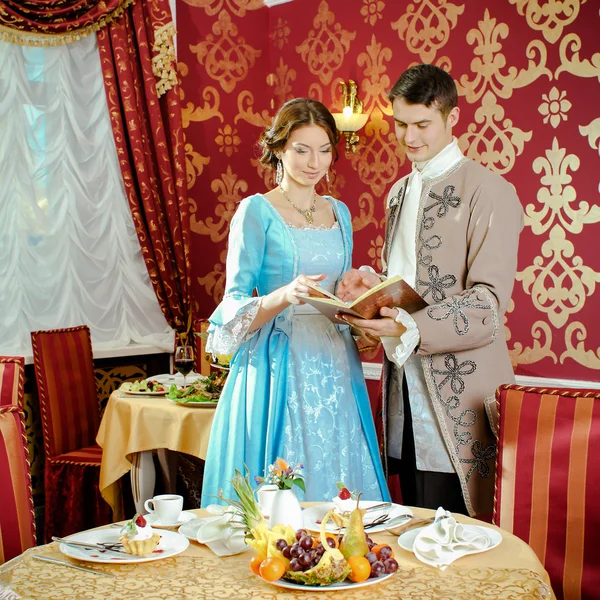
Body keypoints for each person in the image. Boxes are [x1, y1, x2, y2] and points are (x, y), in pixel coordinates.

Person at [337, 64, 524, 517]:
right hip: (402, 383)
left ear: (451, 117)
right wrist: (372, 291)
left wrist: (404, 323)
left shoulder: (490, 191)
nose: (409, 136)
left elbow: (487, 305)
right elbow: (407, 282)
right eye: (401, 123)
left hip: (460, 389)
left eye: (422, 124)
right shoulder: (398, 192)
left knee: (460, 529)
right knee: (414, 518)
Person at [200, 98, 390, 507]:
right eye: (301, 149)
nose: (313, 162)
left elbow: (339, 294)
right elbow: (232, 303)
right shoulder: (256, 211)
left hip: (337, 364)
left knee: (341, 487)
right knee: (283, 494)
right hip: (278, 363)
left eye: (324, 150)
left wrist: (357, 290)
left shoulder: (339, 212)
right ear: (279, 149)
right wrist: (285, 294)